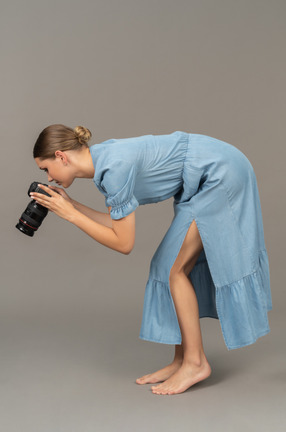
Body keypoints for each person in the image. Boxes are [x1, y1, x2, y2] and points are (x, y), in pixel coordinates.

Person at [31, 124, 272, 395]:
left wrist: (70, 215)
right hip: (205, 175)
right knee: (165, 267)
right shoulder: (104, 165)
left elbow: (123, 243)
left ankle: (195, 363)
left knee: (174, 269)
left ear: (61, 156)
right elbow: (114, 223)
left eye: (46, 168)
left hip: (220, 172)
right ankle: (181, 360)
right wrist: (72, 205)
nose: (49, 178)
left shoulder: (114, 167)